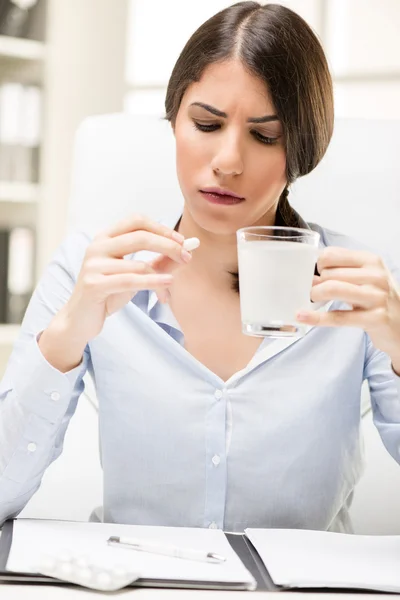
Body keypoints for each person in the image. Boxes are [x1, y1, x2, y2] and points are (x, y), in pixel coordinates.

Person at [0, 1, 399, 533]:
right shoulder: (91, 269)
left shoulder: (358, 288)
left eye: (265, 135)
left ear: (301, 151)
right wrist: (67, 334)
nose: (228, 160)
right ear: (174, 121)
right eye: (206, 123)